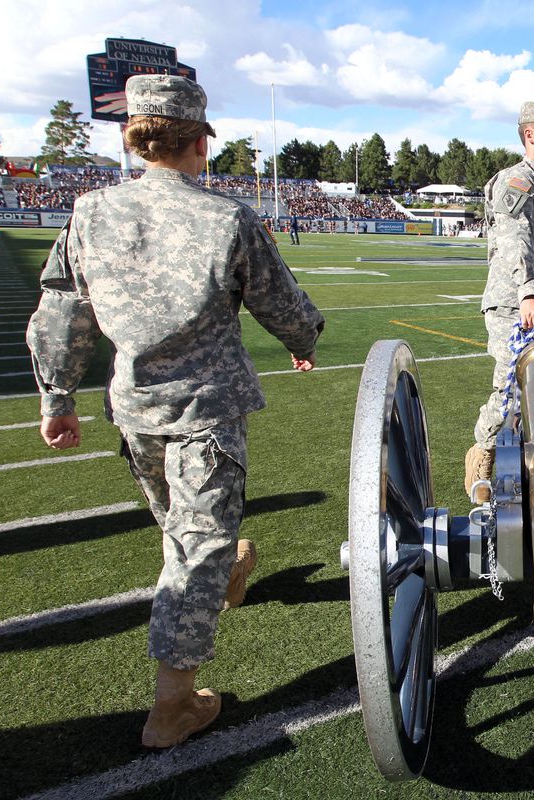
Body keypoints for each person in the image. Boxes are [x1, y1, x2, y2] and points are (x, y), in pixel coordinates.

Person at [25, 74, 324, 748]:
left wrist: (57, 395)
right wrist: (303, 340)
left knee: (183, 527)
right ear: (198, 141)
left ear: (135, 138)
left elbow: (62, 312)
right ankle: (174, 704)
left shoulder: (90, 212)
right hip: (203, 412)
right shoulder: (226, 218)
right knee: (194, 546)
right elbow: (280, 302)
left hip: (134, 409)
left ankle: (232, 565)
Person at [465, 101, 534, 503]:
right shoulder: (517, 181)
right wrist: (528, 291)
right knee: (511, 388)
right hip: (517, 305)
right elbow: (515, 240)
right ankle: (485, 451)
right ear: (530, 134)